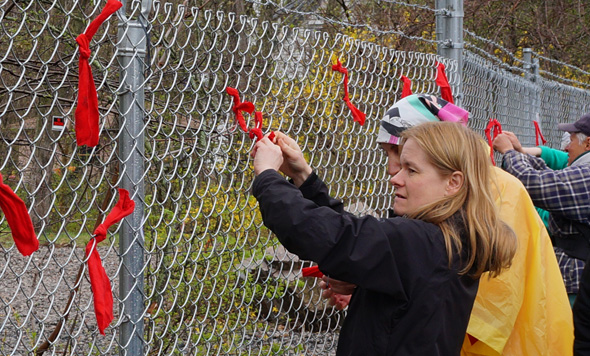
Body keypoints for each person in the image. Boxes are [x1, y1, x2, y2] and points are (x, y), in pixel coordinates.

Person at [324, 94, 574, 355]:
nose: (390, 167)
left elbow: (485, 309)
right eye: (386, 152)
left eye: (397, 150)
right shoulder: (449, 192)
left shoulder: (495, 191)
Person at [252, 120, 517, 355]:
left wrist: (267, 176)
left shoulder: (420, 241)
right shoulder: (452, 240)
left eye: (411, 171)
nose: (395, 178)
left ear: (453, 182)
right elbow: (355, 237)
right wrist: (302, 176)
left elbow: (328, 234)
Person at [493, 113, 590, 305]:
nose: (566, 147)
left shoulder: (586, 176)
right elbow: (550, 177)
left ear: (588, 144)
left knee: (573, 333)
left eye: (571, 141)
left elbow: (535, 184)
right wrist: (519, 152)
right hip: (577, 278)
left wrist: (509, 153)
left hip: (579, 282)